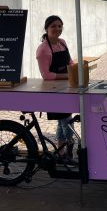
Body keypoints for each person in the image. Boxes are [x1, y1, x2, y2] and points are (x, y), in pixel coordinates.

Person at [36, 15, 76, 163]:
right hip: (53, 91)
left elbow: (70, 62)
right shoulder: (43, 50)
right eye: (53, 26)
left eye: (60, 26)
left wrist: (76, 70)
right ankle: (69, 148)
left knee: (61, 121)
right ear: (46, 28)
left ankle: (60, 151)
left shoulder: (63, 43)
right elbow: (46, 75)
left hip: (67, 89)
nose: (57, 29)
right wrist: (67, 76)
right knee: (66, 120)